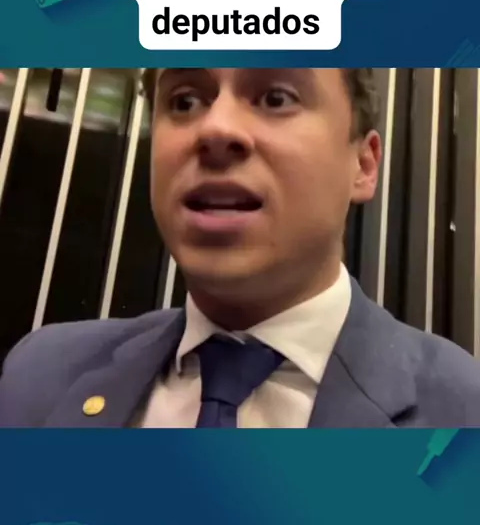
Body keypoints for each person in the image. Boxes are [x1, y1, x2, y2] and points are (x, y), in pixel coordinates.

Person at [1, 67, 480, 428]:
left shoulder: (461, 411)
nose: (215, 130)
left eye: (276, 98)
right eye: (185, 101)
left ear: (363, 164)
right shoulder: (39, 377)